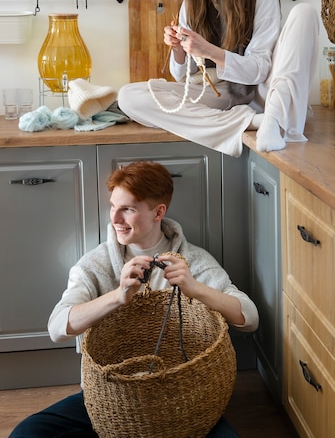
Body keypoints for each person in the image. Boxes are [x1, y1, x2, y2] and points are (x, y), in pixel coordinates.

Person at [9, 161, 258, 438]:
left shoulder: (192, 261)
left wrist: (195, 288)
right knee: (27, 433)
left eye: (128, 209)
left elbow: (249, 318)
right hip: (111, 401)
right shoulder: (96, 265)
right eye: (113, 207)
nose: (115, 219)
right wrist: (119, 296)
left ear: (158, 212)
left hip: (182, 401)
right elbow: (57, 328)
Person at [118, 0, 320, 157]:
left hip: (254, 93)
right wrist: (178, 49)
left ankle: (270, 116)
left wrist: (209, 51)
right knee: (128, 97)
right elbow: (179, 75)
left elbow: (259, 69)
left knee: (305, 13)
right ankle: (252, 123)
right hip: (215, 93)